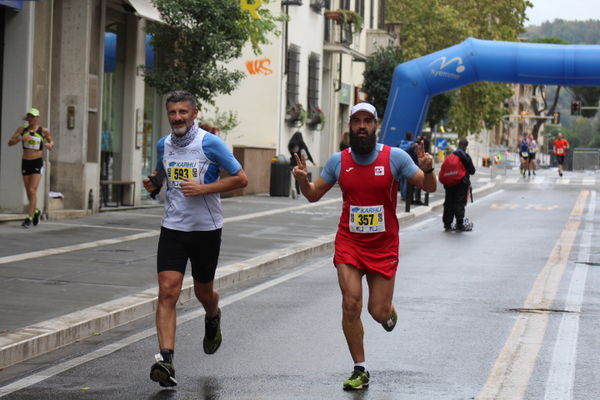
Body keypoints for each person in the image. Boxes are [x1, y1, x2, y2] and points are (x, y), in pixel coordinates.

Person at [291, 102, 436, 390]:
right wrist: (303, 181)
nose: (361, 126)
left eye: (367, 121)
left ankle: (388, 311)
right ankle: (360, 368)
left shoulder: (394, 158)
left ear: (375, 125)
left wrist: (429, 170)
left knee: (376, 312)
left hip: (383, 245)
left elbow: (428, 187)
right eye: (356, 120)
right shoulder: (338, 161)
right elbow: (313, 195)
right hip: (350, 243)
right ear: (350, 126)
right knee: (350, 302)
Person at [143, 91, 248, 387]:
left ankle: (212, 315)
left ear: (194, 113)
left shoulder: (209, 143)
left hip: (206, 230)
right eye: (172, 112)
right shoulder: (164, 144)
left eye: (182, 112)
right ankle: (166, 360)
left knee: (204, 292)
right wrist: (154, 183)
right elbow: (164, 174)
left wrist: (205, 188)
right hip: (173, 228)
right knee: (167, 291)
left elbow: (241, 178)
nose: (177, 118)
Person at [8, 108, 54, 228]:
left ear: (38, 118)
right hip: (25, 162)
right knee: (29, 191)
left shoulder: (43, 131)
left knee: (32, 190)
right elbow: (10, 142)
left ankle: (29, 217)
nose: (32, 119)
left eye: (34, 116)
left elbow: (51, 141)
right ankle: (37, 211)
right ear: (27, 118)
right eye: (30, 116)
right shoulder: (22, 130)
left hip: (37, 162)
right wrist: (21, 139)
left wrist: (50, 145)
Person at [442, 138, 476, 232]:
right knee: (459, 202)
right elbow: (472, 171)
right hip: (461, 183)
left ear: (458, 144)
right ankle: (459, 224)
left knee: (448, 202)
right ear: (465, 146)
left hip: (449, 183)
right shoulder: (465, 156)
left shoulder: (450, 155)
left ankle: (447, 224)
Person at [288, 131, 315, 196]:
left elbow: (291, 152)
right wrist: (312, 161)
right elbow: (307, 152)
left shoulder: (291, 144)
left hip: (292, 162)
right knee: (298, 178)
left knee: (291, 177)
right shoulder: (302, 143)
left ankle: (291, 190)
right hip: (299, 163)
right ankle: (297, 192)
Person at [397, 131, 415, 201]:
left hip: (400, 163)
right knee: (406, 181)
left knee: (401, 180)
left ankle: (402, 194)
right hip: (407, 163)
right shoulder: (412, 144)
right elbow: (414, 154)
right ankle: (405, 195)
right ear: (411, 136)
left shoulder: (401, 143)